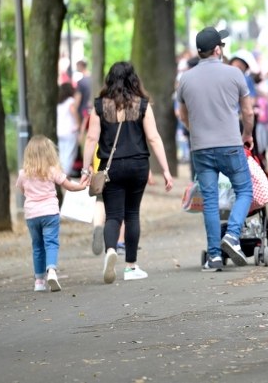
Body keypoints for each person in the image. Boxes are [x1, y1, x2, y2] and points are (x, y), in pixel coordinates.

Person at [83, 61, 174, 283]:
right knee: (132, 214)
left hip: (110, 166)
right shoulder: (142, 105)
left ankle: (111, 250)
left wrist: (87, 167)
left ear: (109, 80)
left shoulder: (99, 106)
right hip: (138, 165)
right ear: (134, 80)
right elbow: (153, 138)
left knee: (114, 215)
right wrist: (165, 170)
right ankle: (131, 267)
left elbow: (91, 138)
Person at [176, 27, 255, 272]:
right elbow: (248, 111)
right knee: (244, 190)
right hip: (230, 144)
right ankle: (232, 235)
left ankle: (214, 257)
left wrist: (195, 131)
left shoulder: (185, 79)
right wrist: (247, 135)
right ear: (218, 49)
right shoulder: (234, 74)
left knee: (209, 201)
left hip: (201, 147)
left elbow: (182, 114)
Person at [17, 135, 88, 292]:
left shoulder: (24, 173)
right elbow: (69, 186)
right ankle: (52, 272)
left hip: (32, 215)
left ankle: (39, 281)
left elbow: (22, 189)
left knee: (37, 246)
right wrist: (82, 187)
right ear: (49, 153)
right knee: (51, 243)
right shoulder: (52, 171)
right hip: (50, 212)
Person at [56, 82, 80, 178]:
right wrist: (78, 123)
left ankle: (60, 173)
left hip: (60, 131)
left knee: (62, 153)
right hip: (70, 131)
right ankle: (65, 175)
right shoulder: (70, 101)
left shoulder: (58, 103)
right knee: (70, 154)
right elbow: (73, 111)